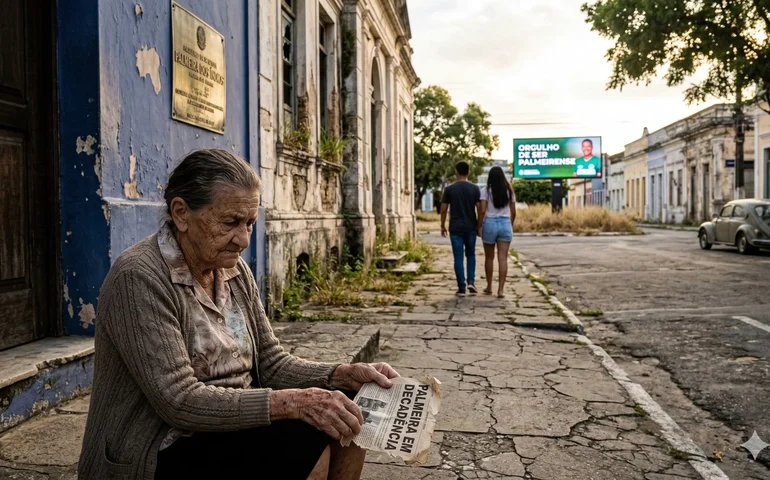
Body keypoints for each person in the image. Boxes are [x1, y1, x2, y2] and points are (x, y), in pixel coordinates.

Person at [78, 149, 399, 480]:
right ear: (181, 213)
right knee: (303, 445)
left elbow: (272, 361)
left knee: (353, 414)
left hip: (232, 423)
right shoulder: (139, 277)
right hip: (160, 445)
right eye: (231, 222)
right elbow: (178, 400)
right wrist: (293, 403)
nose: (244, 239)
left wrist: (342, 375)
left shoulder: (232, 270)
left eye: (250, 223)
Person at [440, 161, 481, 297]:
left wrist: (442, 225)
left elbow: (444, 209)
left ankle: (461, 287)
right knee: (471, 254)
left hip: (455, 227)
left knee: (458, 256)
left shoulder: (449, 189)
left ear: (456, 172)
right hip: (471, 227)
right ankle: (471, 281)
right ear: (469, 172)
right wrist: (479, 224)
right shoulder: (475, 189)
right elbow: (480, 209)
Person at [477, 166, 516, 298]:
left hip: (490, 224)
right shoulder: (510, 191)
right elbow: (513, 212)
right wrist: (510, 225)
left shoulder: (485, 191)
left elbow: (482, 211)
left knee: (489, 258)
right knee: (503, 258)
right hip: (505, 223)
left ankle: (489, 287)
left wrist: (479, 225)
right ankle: (501, 290)